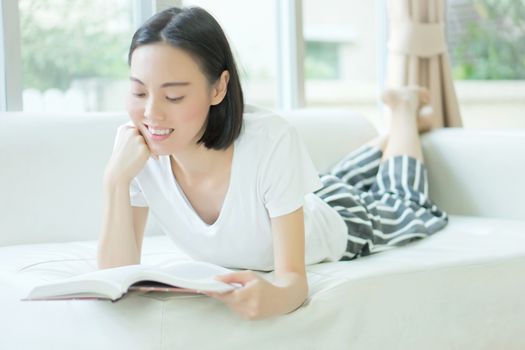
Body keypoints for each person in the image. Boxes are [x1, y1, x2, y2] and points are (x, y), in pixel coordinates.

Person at [97, 6, 448, 321]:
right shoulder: (135, 149)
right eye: (139, 92)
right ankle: (399, 133)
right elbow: (115, 276)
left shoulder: (269, 141)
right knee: (335, 178)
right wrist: (115, 180)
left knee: (409, 205)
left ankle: (403, 112)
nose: (151, 113)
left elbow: (294, 283)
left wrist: (275, 297)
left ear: (218, 88)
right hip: (294, 198)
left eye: (174, 96)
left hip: (336, 219)